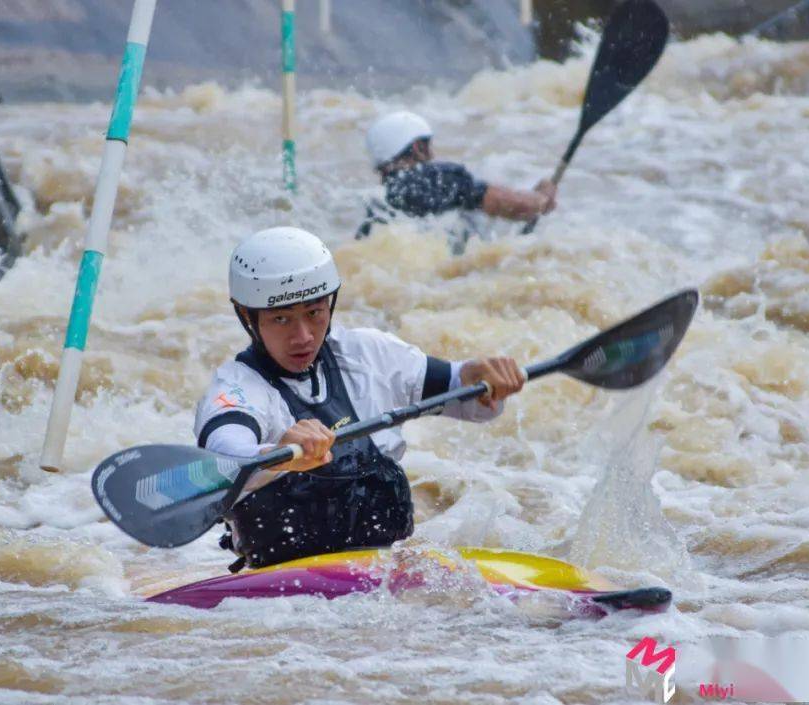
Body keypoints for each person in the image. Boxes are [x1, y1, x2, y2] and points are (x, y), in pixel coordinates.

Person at [195, 226, 526, 571]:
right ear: (247, 316)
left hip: (385, 576)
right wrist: (277, 456)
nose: (303, 336)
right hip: (287, 599)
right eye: (281, 319)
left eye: (314, 311)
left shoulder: (367, 353)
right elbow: (223, 456)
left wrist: (480, 377)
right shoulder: (235, 389)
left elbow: (466, 397)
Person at [356, 110, 558, 240]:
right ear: (418, 148)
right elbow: (513, 205)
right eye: (428, 145)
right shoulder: (439, 178)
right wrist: (541, 198)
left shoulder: (378, 205)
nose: (433, 154)